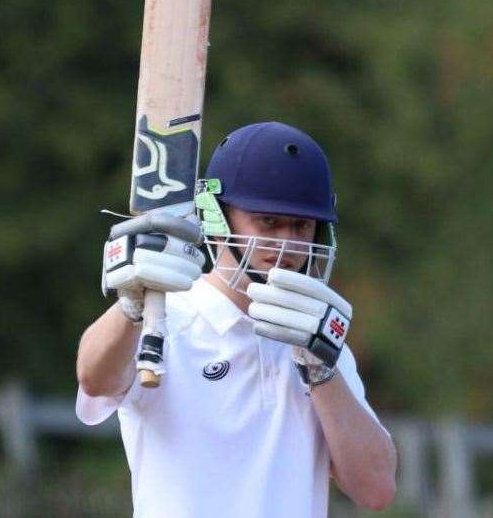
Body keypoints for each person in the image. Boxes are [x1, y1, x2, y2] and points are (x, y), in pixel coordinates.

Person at [76, 122, 397, 518]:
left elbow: (376, 489)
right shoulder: (166, 317)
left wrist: (320, 370)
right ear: (217, 217)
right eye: (267, 222)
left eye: (301, 225)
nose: (287, 244)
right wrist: (130, 306)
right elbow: (94, 378)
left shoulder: (321, 344)